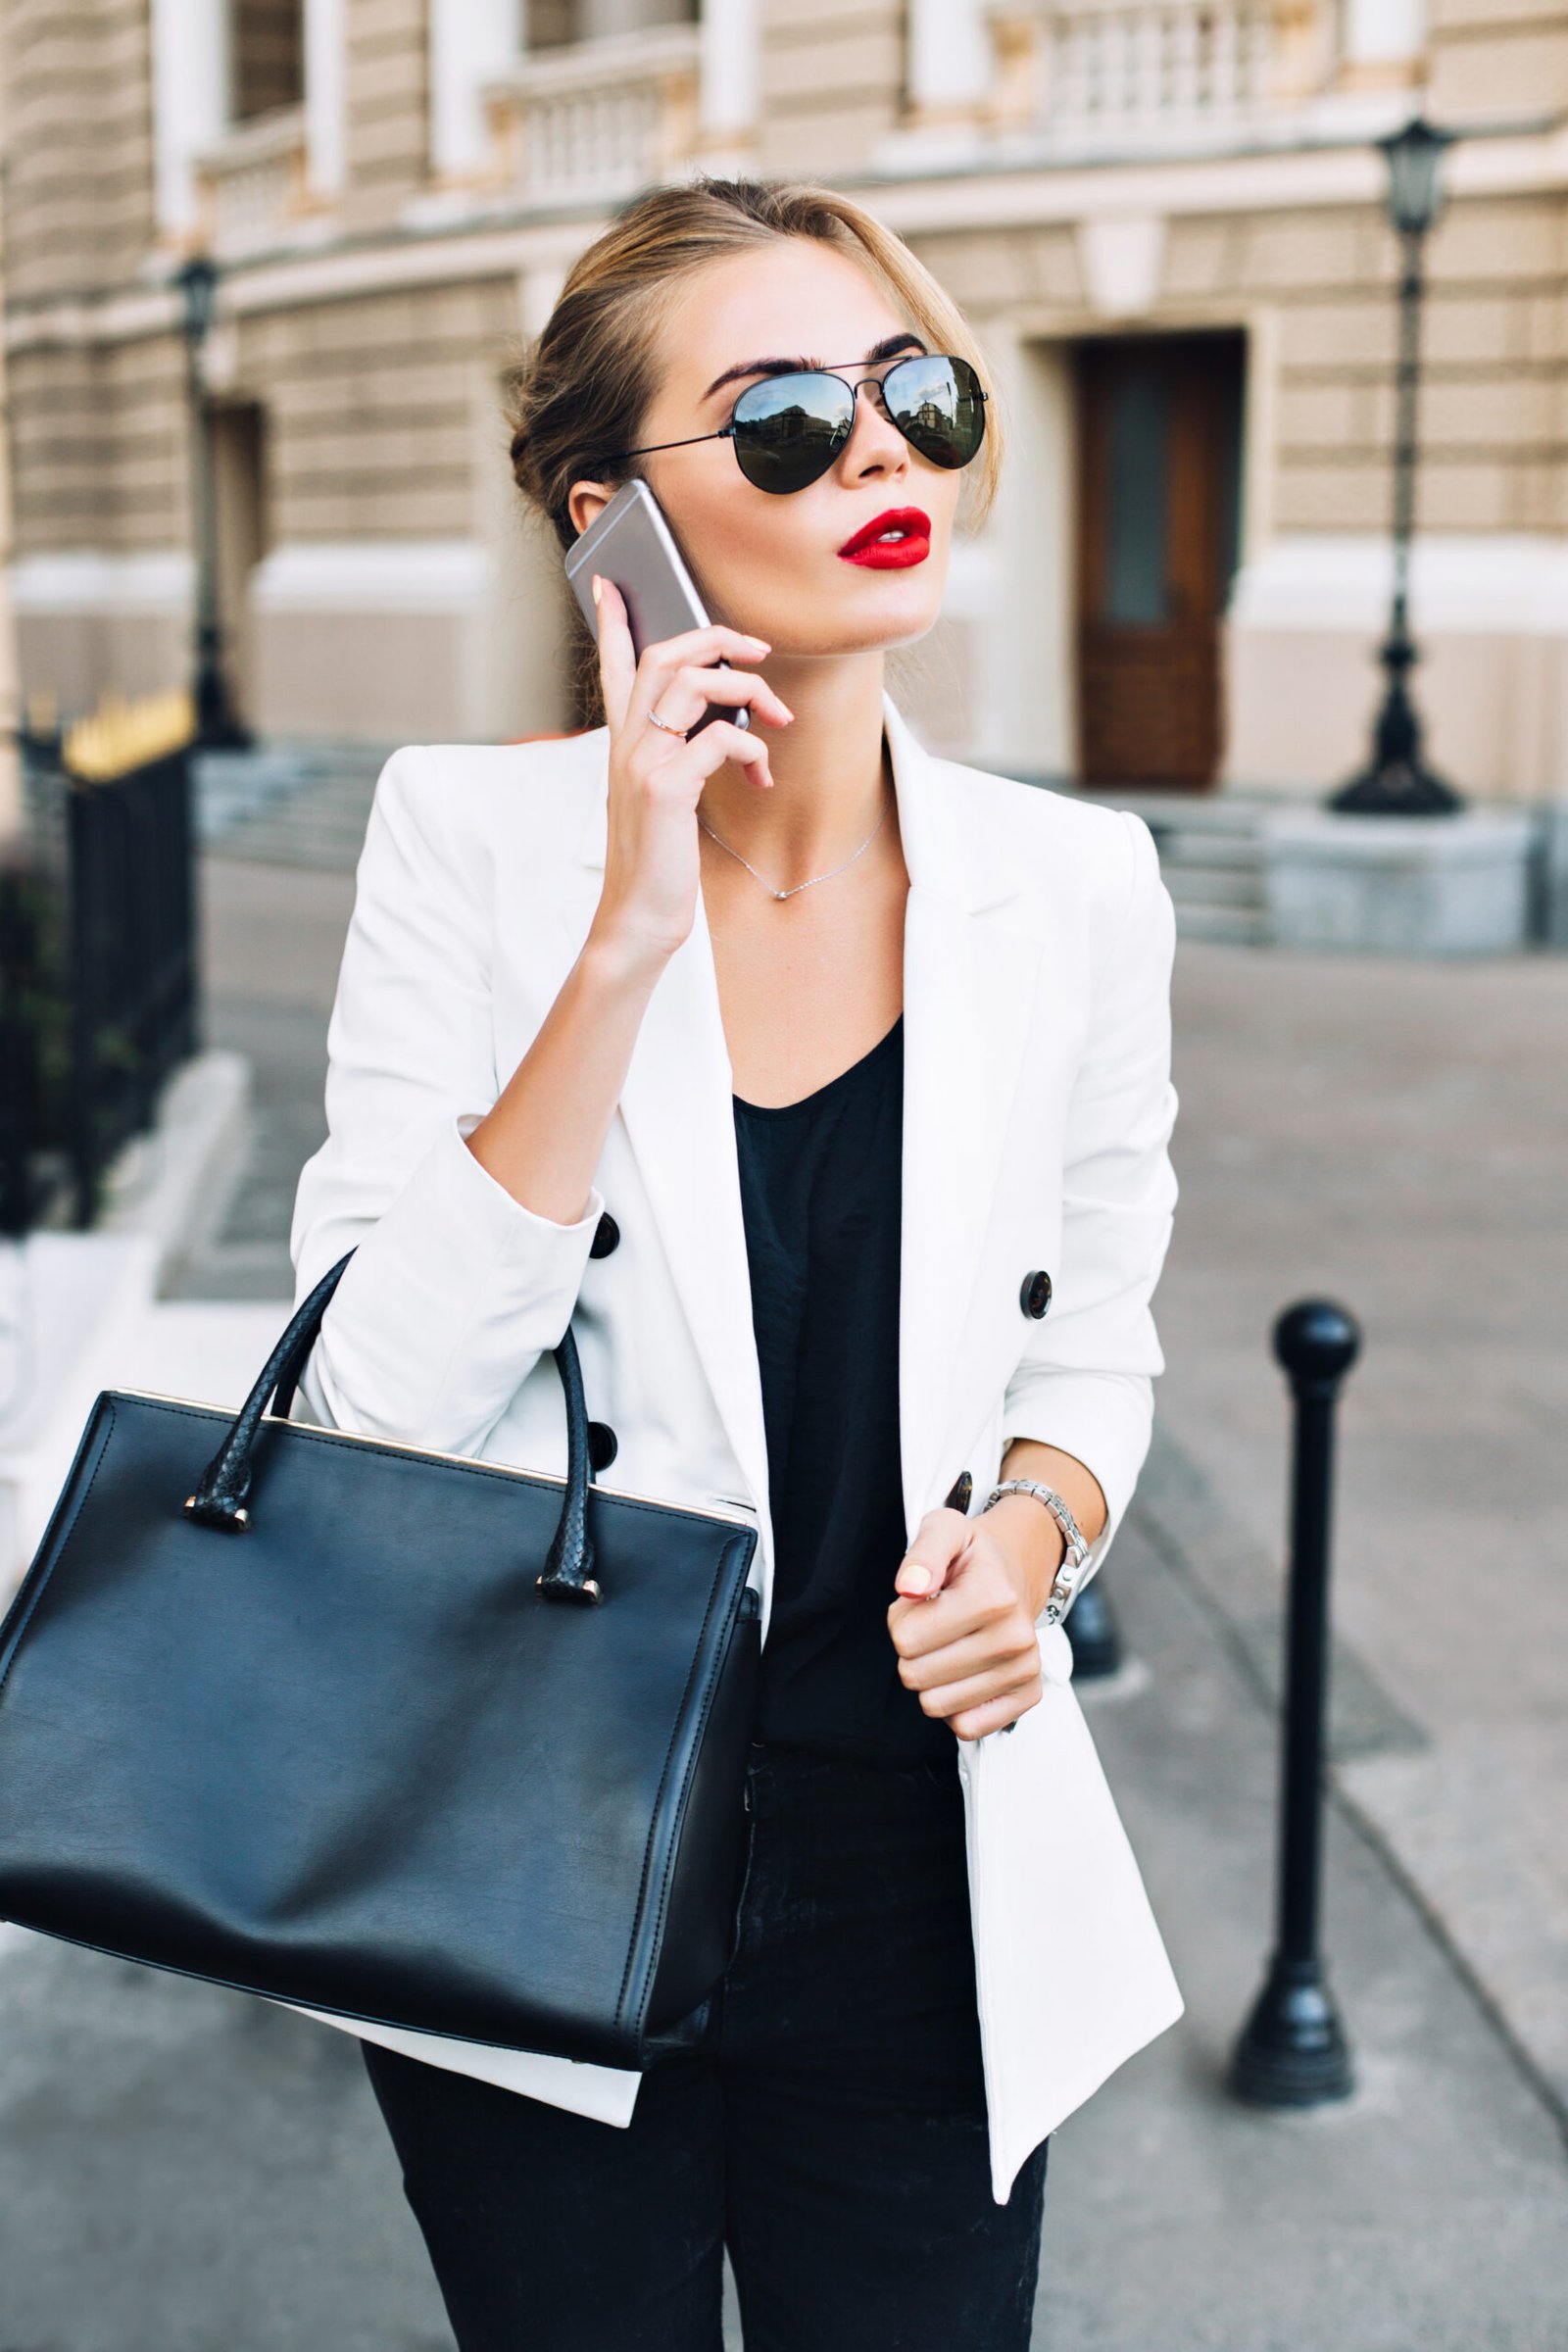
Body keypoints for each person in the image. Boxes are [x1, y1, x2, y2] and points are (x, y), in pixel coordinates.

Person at [287, 173, 1184, 2352]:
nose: (877, 450)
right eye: (782, 414)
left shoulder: (1072, 886)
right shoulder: (460, 841)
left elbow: (1098, 1338)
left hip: (919, 1868)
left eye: (913, 390)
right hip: (528, 1839)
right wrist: (619, 938)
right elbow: (362, 1414)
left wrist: (1035, 1546)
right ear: (616, 523)